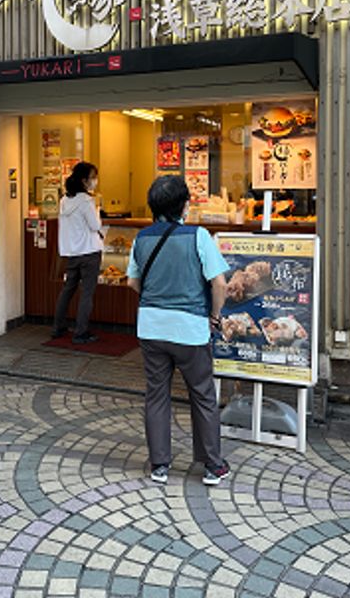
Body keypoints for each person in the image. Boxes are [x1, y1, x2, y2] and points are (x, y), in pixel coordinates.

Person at [127, 175, 230, 486]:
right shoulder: (199, 236)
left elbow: (132, 282)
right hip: (190, 330)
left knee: (156, 395)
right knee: (202, 395)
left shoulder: (141, 238)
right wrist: (214, 315)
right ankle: (212, 465)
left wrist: (155, 300)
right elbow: (220, 283)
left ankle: (159, 465)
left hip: (151, 327)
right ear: (185, 204)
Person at [53, 161, 103, 344]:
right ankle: (81, 332)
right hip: (89, 252)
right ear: (84, 180)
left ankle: (58, 327)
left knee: (68, 289)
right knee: (87, 293)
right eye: (93, 178)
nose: (95, 181)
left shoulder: (64, 200)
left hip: (72, 252)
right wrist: (97, 209)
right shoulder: (86, 201)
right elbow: (95, 225)